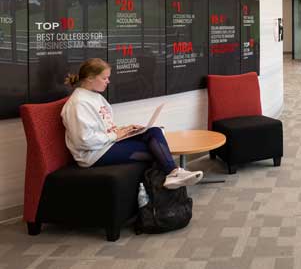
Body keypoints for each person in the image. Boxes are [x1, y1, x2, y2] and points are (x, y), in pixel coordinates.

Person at [61, 58, 203, 189]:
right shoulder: (78, 104)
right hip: (94, 155)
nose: (108, 81)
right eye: (104, 78)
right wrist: (115, 136)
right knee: (155, 151)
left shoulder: (94, 96)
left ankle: (173, 173)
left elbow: (103, 126)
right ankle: (170, 178)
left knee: (153, 131)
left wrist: (124, 129)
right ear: (90, 78)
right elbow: (84, 141)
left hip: (106, 144)